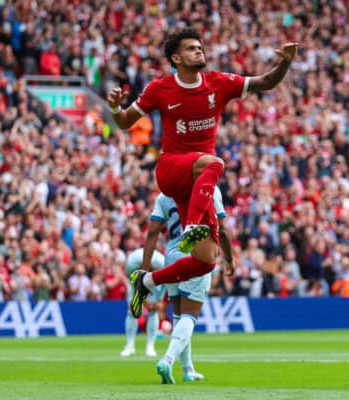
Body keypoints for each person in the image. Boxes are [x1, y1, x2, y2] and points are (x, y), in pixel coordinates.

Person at [108, 28, 297, 318]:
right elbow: (124, 123)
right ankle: (190, 228)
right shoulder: (161, 88)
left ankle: (146, 281)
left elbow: (266, 82)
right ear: (176, 57)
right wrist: (115, 109)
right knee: (215, 163)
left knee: (207, 260)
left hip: (198, 185)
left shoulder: (218, 83)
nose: (199, 51)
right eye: (191, 48)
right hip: (172, 169)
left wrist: (285, 62)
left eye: (200, 46)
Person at [140, 187, 233, 384]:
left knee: (179, 315)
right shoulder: (209, 189)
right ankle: (167, 359)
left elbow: (153, 232)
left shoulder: (165, 194)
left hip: (172, 255)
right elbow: (222, 228)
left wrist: (145, 271)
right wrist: (229, 259)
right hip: (196, 254)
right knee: (190, 315)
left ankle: (188, 369)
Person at [120, 248, 166, 357]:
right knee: (132, 309)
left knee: (153, 310)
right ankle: (129, 346)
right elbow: (133, 283)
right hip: (135, 282)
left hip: (154, 281)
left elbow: (165, 281)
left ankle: (150, 347)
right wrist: (144, 300)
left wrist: (160, 299)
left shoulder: (162, 263)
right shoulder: (131, 263)